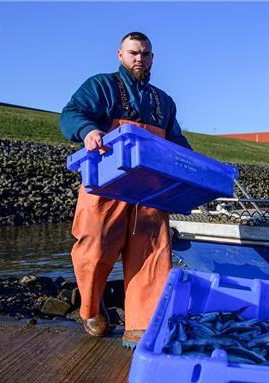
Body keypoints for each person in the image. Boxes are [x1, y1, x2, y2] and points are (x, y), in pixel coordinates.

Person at [59, 32, 191, 347]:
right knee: (95, 247)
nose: (139, 59)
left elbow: (176, 142)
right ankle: (90, 308)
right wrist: (88, 130)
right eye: (133, 53)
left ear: (152, 58)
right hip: (106, 187)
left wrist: (191, 165)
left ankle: (142, 330)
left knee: (152, 256)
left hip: (151, 193)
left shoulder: (164, 101)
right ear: (120, 54)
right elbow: (71, 114)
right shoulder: (100, 86)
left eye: (145, 54)